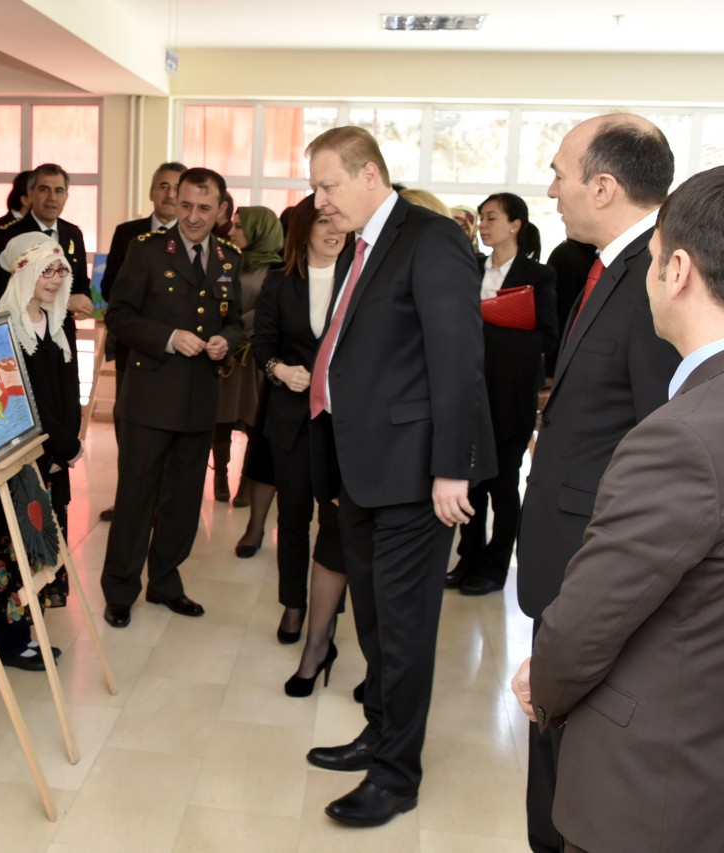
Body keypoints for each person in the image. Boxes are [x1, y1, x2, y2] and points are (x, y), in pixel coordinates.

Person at [512, 165, 724, 853]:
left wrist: (543, 679)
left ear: (679, 270)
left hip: (656, 788)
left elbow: (584, 629)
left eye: (655, 259)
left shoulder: (680, 434)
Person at [302, 126, 495, 828]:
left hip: (418, 474)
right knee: (378, 622)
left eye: (328, 185)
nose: (319, 201)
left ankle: (396, 775)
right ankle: (377, 732)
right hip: (365, 467)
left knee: (406, 629)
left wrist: (453, 468)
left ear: (370, 173)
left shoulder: (429, 235)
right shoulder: (367, 243)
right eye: (316, 187)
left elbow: (456, 358)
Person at [100, 167, 244, 628]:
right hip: (149, 397)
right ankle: (120, 589)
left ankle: (166, 581)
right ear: (173, 202)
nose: (193, 216)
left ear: (221, 210)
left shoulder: (227, 258)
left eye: (204, 208)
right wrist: (168, 337)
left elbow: (235, 318)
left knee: (183, 500)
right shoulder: (145, 252)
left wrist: (226, 340)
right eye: (185, 206)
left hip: (200, 398)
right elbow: (118, 316)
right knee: (137, 497)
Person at [250, 196, 348, 682]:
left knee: (338, 524)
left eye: (340, 222)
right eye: (323, 222)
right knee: (291, 519)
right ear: (304, 229)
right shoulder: (281, 280)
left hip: (341, 424)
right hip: (290, 418)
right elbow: (261, 345)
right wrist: (278, 370)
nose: (334, 230)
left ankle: (327, 618)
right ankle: (293, 604)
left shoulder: (359, 278)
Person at [447, 193, 559, 595]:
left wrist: (493, 321)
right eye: (481, 218)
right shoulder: (471, 266)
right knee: (469, 482)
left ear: (516, 225)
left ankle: (495, 568)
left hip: (509, 394)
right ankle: (468, 559)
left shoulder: (538, 275)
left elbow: (547, 334)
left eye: (492, 217)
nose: (485, 224)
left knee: (502, 485)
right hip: (467, 391)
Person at [0, 233, 82, 668]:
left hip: (56, 457)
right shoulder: (2, 328)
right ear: (23, 273)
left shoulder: (59, 323)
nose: (55, 279)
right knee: (15, 543)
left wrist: (68, 446)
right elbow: (26, 401)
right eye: (46, 270)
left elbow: (69, 390)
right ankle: (9, 642)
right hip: (21, 458)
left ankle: (30, 630)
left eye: (60, 270)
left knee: (44, 538)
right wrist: (65, 444)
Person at [97, 162, 186, 522]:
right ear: (151, 192)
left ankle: (164, 506)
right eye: (163, 186)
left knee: (169, 432)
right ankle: (131, 503)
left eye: (176, 188)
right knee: (130, 430)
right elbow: (111, 288)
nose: (169, 194)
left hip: (177, 355)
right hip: (133, 349)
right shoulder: (128, 233)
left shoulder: (192, 237)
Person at [213, 206, 283, 506]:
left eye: (240, 226)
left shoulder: (277, 269)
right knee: (221, 420)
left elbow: (268, 313)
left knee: (254, 424)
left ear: (259, 231)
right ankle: (219, 477)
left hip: (254, 358)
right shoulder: (228, 262)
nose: (231, 231)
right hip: (227, 357)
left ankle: (246, 483)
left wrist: (234, 329)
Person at [0, 164, 92, 324]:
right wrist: (66, 301)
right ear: (30, 193)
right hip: (21, 331)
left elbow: (80, 281)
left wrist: (85, 300)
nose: (52, 197)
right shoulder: (7, 235)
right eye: (44, 189)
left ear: (66, 196)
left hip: (62, 333)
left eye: (59, 191)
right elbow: (3, 292)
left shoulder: (73, 234)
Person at [542, 237, 597, 378]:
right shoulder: (566, 255)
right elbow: (560, 316)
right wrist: (553, 370)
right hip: (569, 361)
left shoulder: (598, 253)